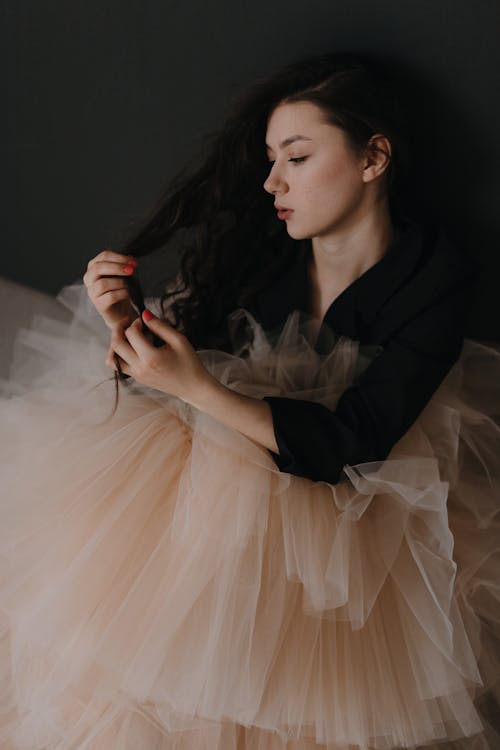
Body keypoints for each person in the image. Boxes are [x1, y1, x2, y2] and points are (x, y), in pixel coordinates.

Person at [0, 51, 499, 750]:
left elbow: (356, 441)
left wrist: (196, 387)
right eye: (270, 159)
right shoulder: (261, 249)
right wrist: (126, 331)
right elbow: (168, 383)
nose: (272, 182)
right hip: (215, 501)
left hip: (360, 534)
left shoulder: (432, 277)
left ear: (373, 156)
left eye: (296, 157)